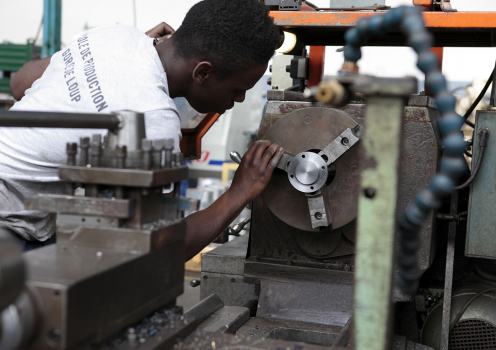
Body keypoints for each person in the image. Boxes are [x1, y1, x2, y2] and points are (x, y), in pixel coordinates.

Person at [3, 0, 284, 258]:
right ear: (202, 73)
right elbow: (163, 246)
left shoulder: (116, 35)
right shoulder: (154, 117)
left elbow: (19, 84)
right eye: (237, 89)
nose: (240, 99)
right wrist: (240, 192)